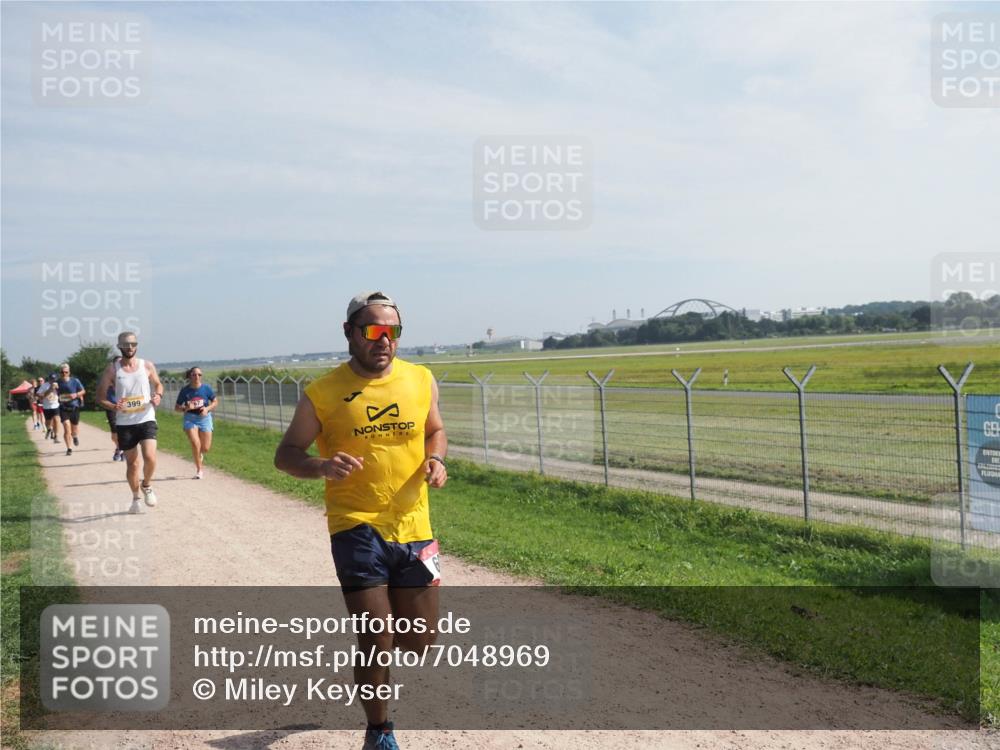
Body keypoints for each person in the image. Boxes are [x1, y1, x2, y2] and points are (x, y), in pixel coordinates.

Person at [275, 291, 447, 750]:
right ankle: (379, 730)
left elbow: (435, 430)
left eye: (393, 331)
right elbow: (286, 454)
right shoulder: (323, 393)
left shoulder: (420, 378)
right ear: (349, 332)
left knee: (420, 641)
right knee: (376, 635)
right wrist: (321, 466)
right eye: (372, 330)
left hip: (414, 526)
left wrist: (436, 459)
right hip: (355, 526)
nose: (384, 340)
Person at [96, 332, 164, 514]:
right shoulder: (112, 370)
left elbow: (158, 384)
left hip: (146, 417)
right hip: (125, 423)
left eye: (133, 344)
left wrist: (158, 395)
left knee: (150, 457)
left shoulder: (147, 365)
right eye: (126, 345)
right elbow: (100, 397)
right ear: (119, 346)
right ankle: (135, 498)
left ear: (137, 345)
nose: (130, 348)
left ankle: (146, 485)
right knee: (132, 464)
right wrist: (113, 406)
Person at [174, 366, 217, 479]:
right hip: (190, 418)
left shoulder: (206, 388)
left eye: (199, 375)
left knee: (205, 448)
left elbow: (215, 401)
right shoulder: (185, 390)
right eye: (194, 374)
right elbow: (177, 407)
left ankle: (199, 454)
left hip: (205, 418)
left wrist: (207, 409)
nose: (197, 377)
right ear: (190, 376)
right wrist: (186, 408)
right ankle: (199, 470)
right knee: (195, 443)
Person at [56, 364, 86, 456]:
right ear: (60, 373)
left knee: (74, 429)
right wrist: (53, 389)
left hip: (74, 407)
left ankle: (75, 436)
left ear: (69, 372)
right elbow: (53, 393)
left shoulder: (75, 381)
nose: (64, 374)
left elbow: (83, 391)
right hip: (63, 407)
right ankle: (69, 448)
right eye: (62, 372)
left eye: (66, 372)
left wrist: (76, 395)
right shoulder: (57, 382)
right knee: (66, 427)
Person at [103, 357, 124, 461]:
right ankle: (119, 447)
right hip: (112, 406)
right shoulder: (108, 375)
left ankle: (122, 449)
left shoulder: (129, 374)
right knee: (114, 433)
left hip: (125, 406)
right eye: (118, 362)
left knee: (125, 430)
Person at [40, 374, 61, 442]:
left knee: (56, 420)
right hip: (47, 407)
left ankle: (56, 436)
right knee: (48, 422)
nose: (53, 380)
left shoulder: (58, 385)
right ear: (49, 379)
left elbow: (62, 393)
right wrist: (50, 389)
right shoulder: (44, 385)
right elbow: (39, 395)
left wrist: (58, 389)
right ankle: (49, 429)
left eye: (54, 379)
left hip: (55, 405)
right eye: (52, 379)